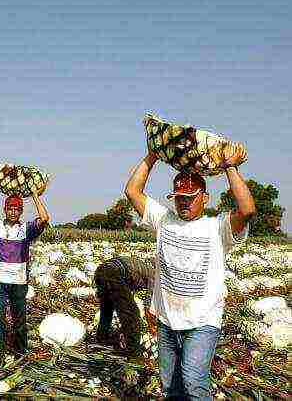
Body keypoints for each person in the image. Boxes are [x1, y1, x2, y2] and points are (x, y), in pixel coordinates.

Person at [124, 145, 255, 401]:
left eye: (190, 196)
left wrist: (230, 167)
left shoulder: (217, 227)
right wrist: (153, 156)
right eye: (179, 197)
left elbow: (247, 210)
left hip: (203, 322)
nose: (184, 202)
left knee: (194, 382)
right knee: (171, 387)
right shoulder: (164, 220)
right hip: (166, 320)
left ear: (204, 197)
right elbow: (132, 191)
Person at [0, 178, 50, 366]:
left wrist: (34, 195)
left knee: (19, 320)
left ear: (21, 211)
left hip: (19, 282)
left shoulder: (26, 230)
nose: (13, 211)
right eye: (10, 208)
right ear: (5, 210)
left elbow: (45, 218)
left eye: (17, 209)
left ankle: (21, 351)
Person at [93, 256, 156, 363]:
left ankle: (101, 339)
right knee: (133, 314)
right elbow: (148, 306)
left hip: (100, 271)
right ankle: (134, 354)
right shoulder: (154, 275)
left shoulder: (139, 266)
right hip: (112, 273)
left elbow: (127, 295)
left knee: (107, 310)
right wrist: (152, 328)